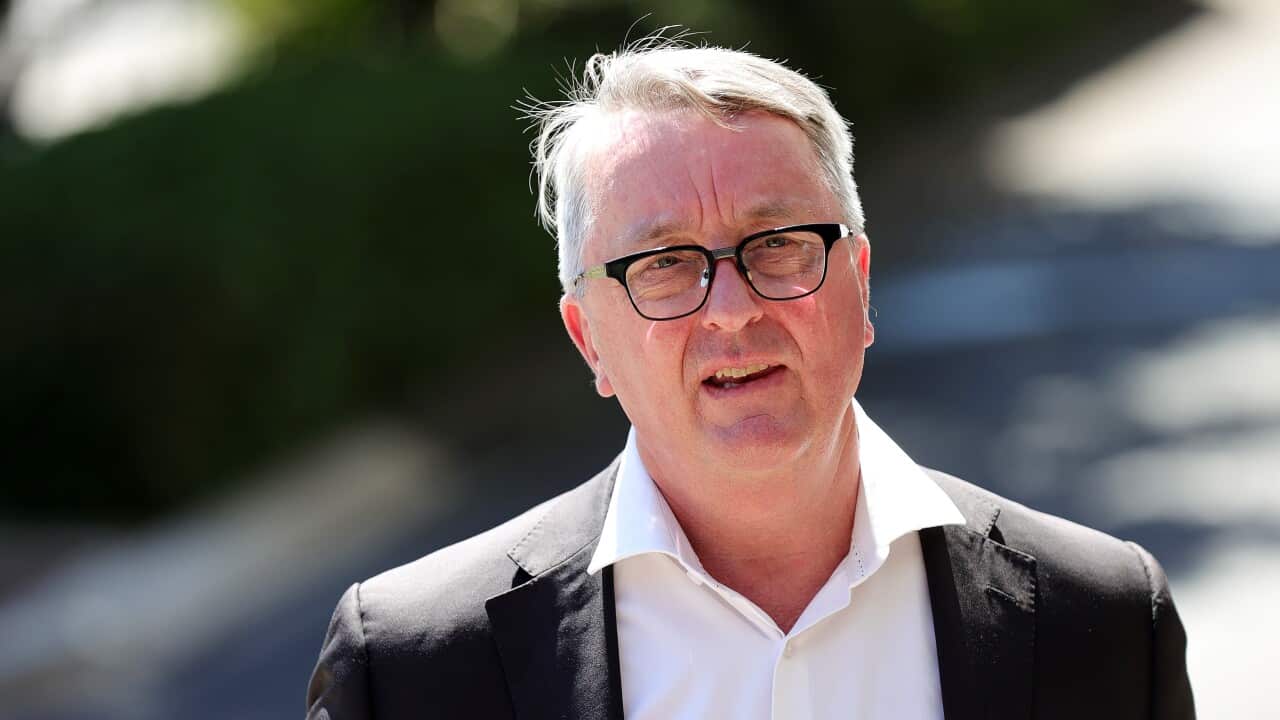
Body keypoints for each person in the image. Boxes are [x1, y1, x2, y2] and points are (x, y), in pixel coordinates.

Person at [306, 38, 1195, 719]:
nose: (731, 309)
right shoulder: (414, 668)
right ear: (590, 340)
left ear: (860, 282)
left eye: (776, 245)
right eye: (661, 264)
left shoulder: (1104, 617)